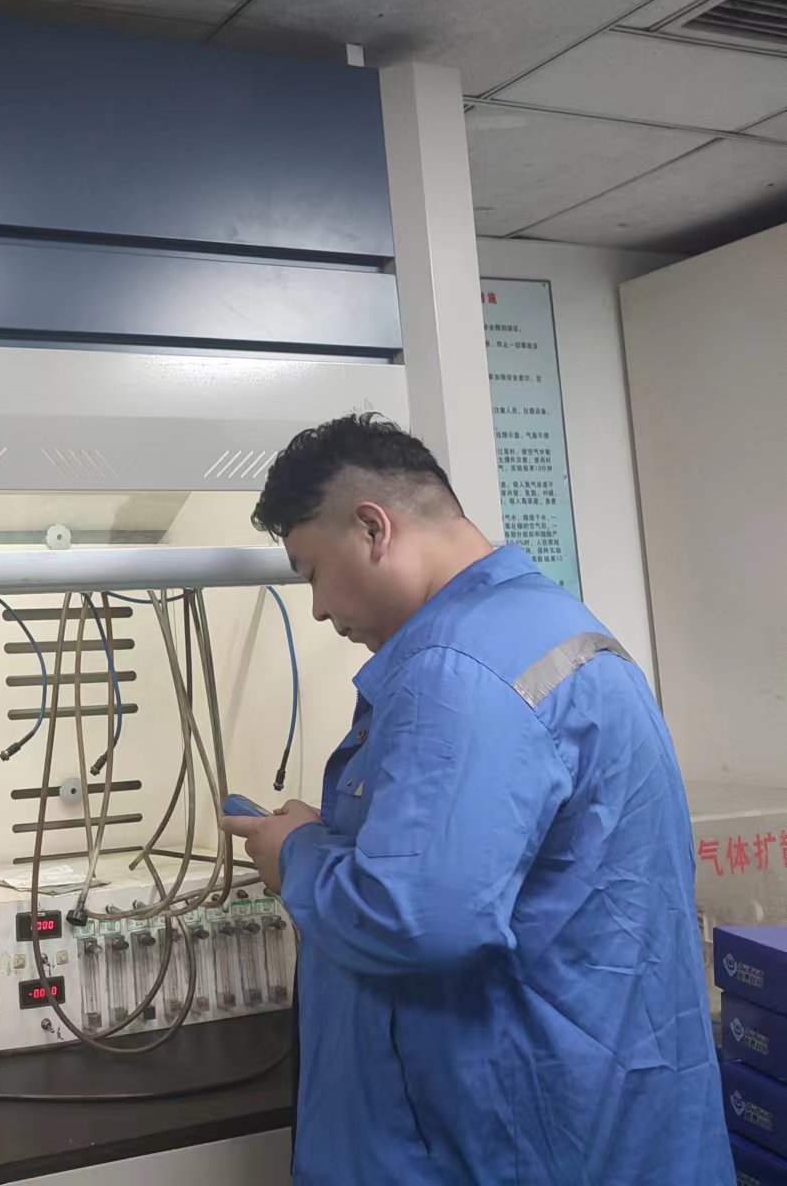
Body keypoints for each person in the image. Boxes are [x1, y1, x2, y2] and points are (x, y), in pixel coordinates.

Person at [217, 413, 729, 1185]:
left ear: (372, 529)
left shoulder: (457, 670)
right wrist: (350, 841)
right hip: (606, 1116)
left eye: (311, 570)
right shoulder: (548, 627)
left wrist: (297, 856)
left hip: (504, 1144)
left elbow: (418, 921)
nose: (317, 608)